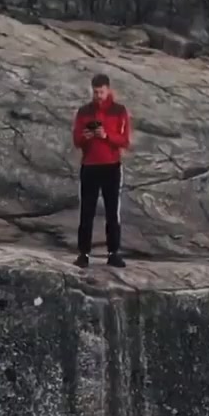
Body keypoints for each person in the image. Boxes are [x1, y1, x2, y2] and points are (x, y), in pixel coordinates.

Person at [72, 71, 131, 269]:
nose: (98, 96)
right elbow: (76, 140)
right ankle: (83, 254)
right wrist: (86, 137)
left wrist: (106, 136)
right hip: (89, 166)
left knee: (112, 212)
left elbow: (125, 140)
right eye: (95, 92)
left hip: (111, 167)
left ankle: (113, 253)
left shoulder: (119, 110)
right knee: (86, 212)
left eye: (101, 92)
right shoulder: (84, 111)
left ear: (108, 90)